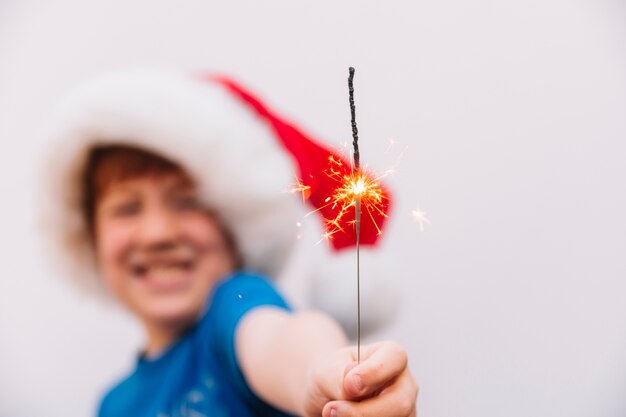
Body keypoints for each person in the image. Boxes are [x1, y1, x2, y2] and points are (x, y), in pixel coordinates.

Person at [42, 69, 418, 417]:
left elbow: (281, 341)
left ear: (236, 226)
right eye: (126, 208)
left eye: (189, 202)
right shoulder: (113, 405)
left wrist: (325, 372)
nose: (157, 233)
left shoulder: (235, 305)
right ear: (90, 235)